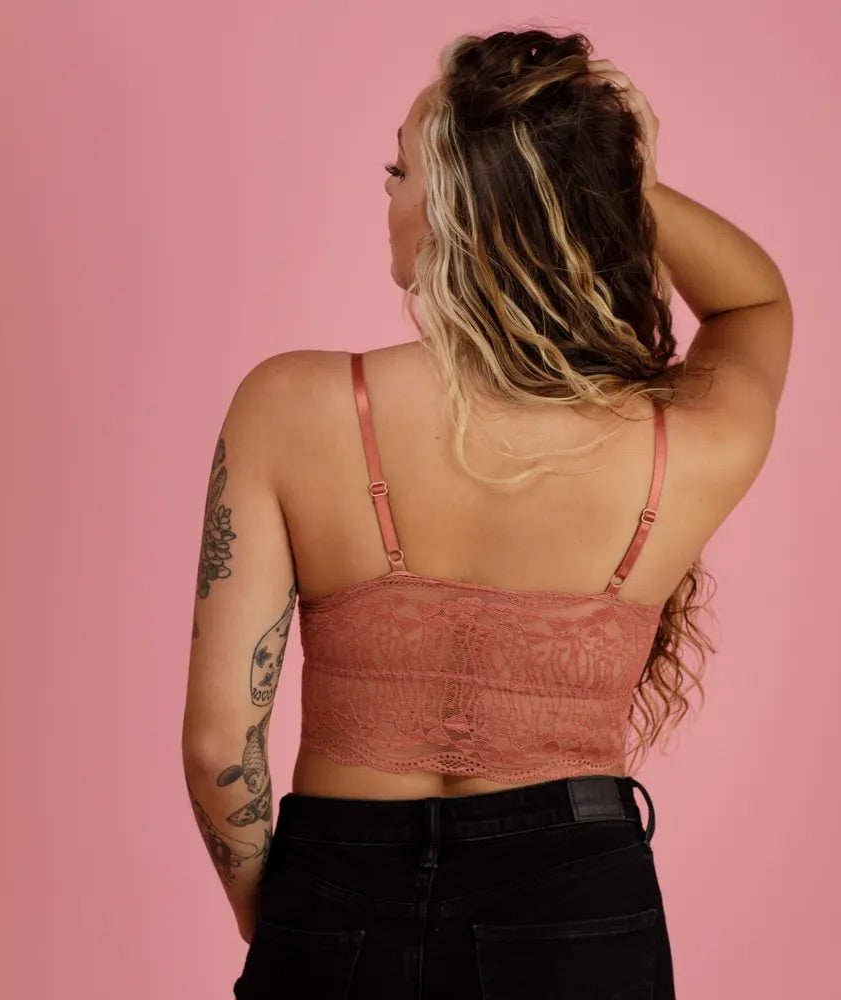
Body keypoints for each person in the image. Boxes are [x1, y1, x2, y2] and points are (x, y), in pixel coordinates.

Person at [181, 28, 792, 1000]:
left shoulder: (290, 406)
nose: (388, 194)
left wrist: (293, 926)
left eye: (401, 172)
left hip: (335, 895)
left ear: (458, 210)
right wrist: (613, 183)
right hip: (578, 908)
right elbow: (754, 304)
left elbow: (221, 745)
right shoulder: (683, 439)